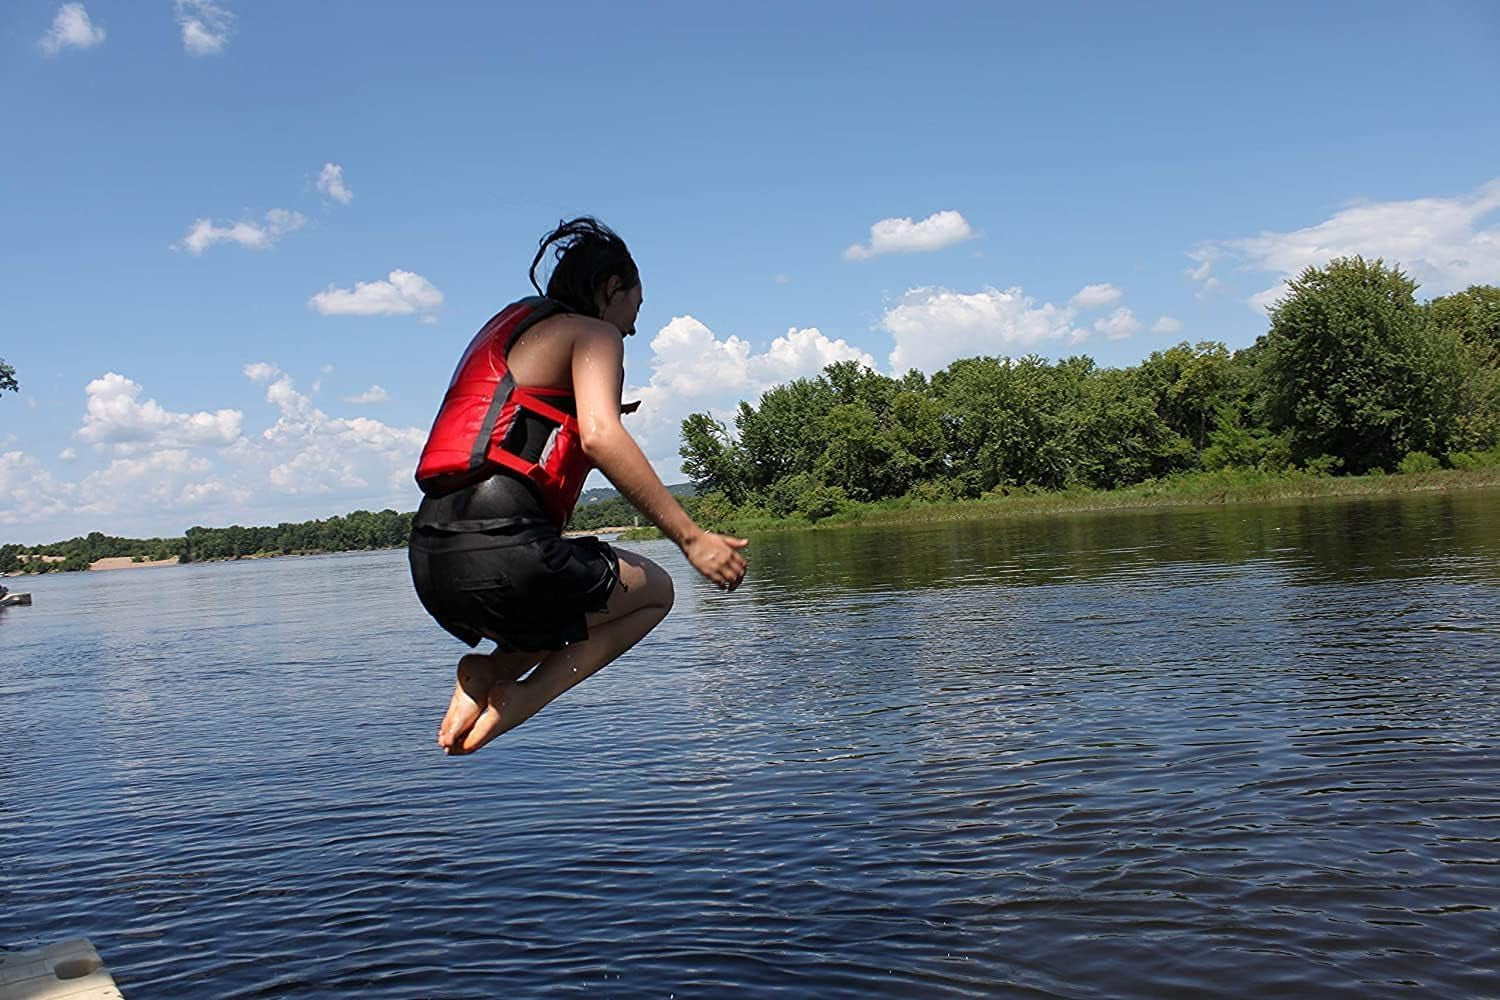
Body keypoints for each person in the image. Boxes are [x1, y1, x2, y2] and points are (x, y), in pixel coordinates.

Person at [408, 218, 747, 755]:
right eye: (635, 308)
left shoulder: (521, 330)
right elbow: (599, 437)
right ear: (612, 289)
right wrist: (691, 536)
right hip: (506, 552)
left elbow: (536, 440)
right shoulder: (594, 333)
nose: (632, 330)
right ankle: (520, 697)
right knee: (656, 592)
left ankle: (484, 672)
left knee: (560, 611)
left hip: (431, 558)